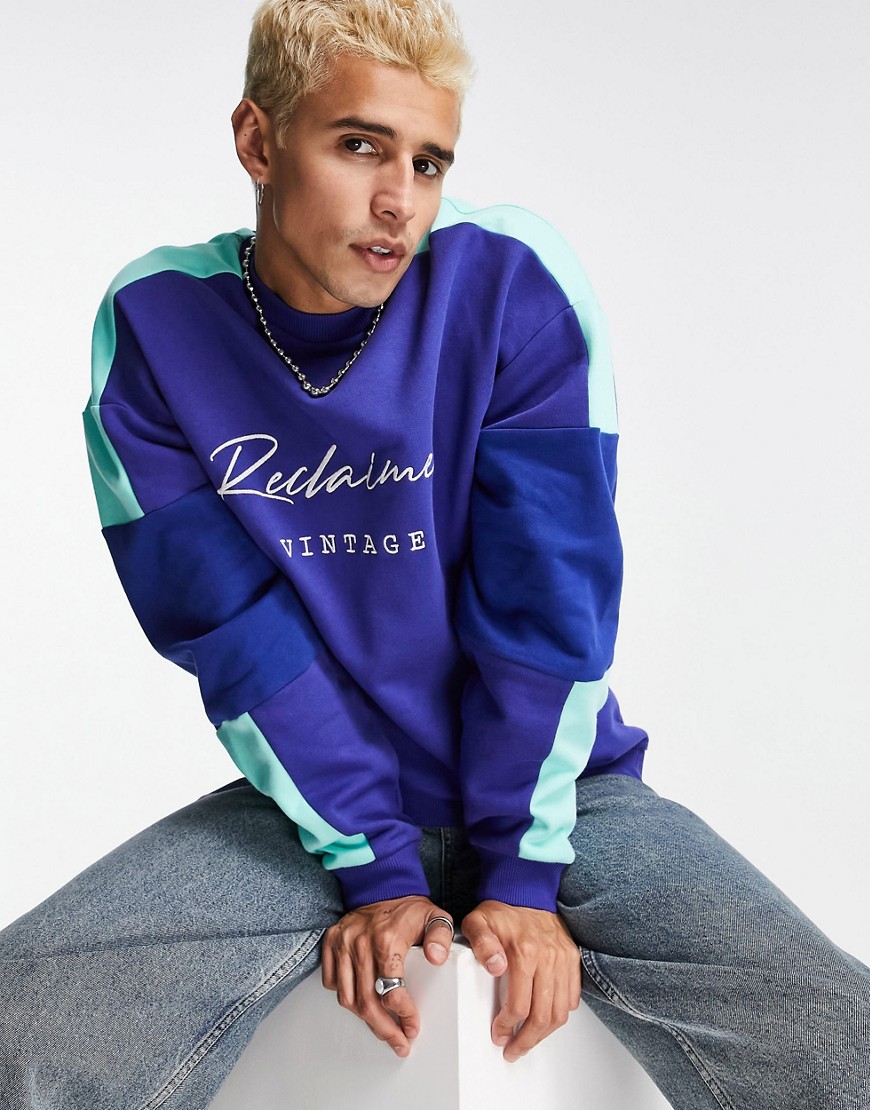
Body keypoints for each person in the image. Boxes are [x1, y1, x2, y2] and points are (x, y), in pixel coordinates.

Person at [1, 1, 867, 1107]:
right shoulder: (158, 327)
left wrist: (522, 874)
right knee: (20, 1019)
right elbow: (235, 640)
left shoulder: (507, 285)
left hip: (561, 800)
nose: (399, 201)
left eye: (429, 160)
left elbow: (547, 605)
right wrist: (372, 865)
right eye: (360, 145)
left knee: (844, 1039)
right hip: (314, 816)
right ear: (259, 140)